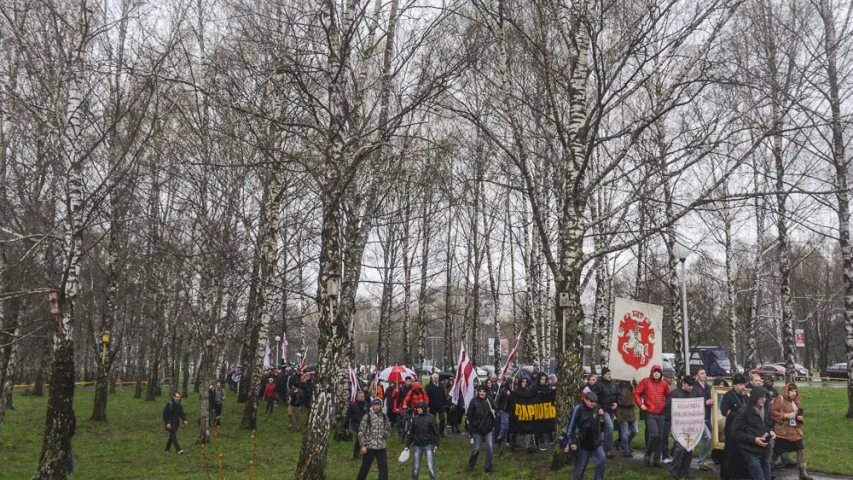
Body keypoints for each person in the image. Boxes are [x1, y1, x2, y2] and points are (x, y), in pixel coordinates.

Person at [769, 383, 813, 480]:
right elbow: (772, 412)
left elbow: (795, 414)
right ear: (787, 391)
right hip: (783, 432)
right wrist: (785, 415)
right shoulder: (780, 399)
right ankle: (768, 469)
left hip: (795, 430)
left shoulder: (795, 401)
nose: (793, 393)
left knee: (800, 450)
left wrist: (800, 418)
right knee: (777, 452)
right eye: (791, 391)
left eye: (795, 391)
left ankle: (802, 473)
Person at [731, 386, 775, 480]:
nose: (763, 400)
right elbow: (735, 432)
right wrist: (754, 439)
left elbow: (770, 424)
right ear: (755, 397)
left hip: (765, 451)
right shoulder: (744, 411)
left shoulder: (767, 409)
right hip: (750, 451)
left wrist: (771, 431)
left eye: (765, 397)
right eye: (761, 397)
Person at [634, 364, 670, 467]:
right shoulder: (645, 381)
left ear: (661, 374)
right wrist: (641, 405)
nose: (656, 373)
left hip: (661, 414)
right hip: (650, 413)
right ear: (651, 372)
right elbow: (636, 393)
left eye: (658, 372)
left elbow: (669, 396)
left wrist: (667, 407)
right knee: (654, 434)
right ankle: (648, 454)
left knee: (660, 437)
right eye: (655, 371)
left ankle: (657, 460)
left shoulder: (664, 384)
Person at [668, 375, 701, 480]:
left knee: (689, 449)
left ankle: (685, 471)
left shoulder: (695, 393)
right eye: (689, 385)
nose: (691, 387)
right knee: (679, 448)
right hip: (679, 426)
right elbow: (667, 407)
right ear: (683, 383)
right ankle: (674, 470)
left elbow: (698, 407)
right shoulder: (675, 393)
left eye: (692, 385)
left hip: (691, 426)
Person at [568, 391, 606, 480]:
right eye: (591, 402)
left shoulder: (597, 408)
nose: (593, 404)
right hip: (582, 444)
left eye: (595, 402)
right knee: (580, 469)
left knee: (602, 460)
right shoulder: (578, 409)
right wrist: (572, 441)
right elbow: (571, 427)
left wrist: (602, 415)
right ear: (585, 400)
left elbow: (601, 425)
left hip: (596, 443)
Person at [720, 373, 750, 480]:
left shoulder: (745, 396)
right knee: (730, 452)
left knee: (742, 452)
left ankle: (740, 475)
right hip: (731, 429)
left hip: (743, 429)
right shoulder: (728, 396)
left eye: (743, 385)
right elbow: (725, 412)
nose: (743, 387)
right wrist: (739, 415)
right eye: (741, 385)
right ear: (734, 385)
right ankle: (727, 475)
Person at [356, 398, 392, 480]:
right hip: (369, 446)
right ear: (372, 406)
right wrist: (363, 446)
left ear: (381, 406)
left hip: (381, 446)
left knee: (383, 468)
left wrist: (386, 434)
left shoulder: (384, 416)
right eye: (375, 405)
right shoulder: (367, 416)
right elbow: (361, 431)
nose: (376, 407)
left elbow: (388, 429)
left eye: (378, 405)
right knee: (365, 467)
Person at [466, 386, 496, 473]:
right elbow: (469, 414)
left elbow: (496, 409)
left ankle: (488, 467)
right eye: (480, 391)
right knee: (476, 449)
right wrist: (475, 424)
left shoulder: (489, 400)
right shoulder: (474, 401)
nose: (482, 393)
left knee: (490, 448)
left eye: (483, 391)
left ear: (486, 392)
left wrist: (494, 411)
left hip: (488, 429)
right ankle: (470, 466)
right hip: (477, 429)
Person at [407, 400, 440, 480]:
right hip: (417, 445)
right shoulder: (415, 419)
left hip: (428, 444)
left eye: (419, 408)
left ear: (424, 408)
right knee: (416, 466)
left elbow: (436, 432)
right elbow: (411, 432)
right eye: (417, 408)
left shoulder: (431, 418)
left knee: (431, 466)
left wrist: (436, 444)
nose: (417, 409)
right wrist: (407, 445)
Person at [592, 367, 620, 459]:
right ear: (603, 375)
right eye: (607, 374)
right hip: (604, 409)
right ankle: (607, 449)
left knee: (609, 429)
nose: (609, 375)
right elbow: (595, 397)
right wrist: (599, 407)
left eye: (610, 373)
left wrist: (617, 403)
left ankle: (607, 448)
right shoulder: (599, 385)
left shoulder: (614, 384)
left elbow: (618, 394)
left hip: (612, 409)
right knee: (610, 427)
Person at [696, 369, 715, 471]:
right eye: (701, 373)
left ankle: (702, 460)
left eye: (705, 373)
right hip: (698, 417)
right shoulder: (694, 387)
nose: (704, 375)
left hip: (707, 416)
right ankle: (702, 461)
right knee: (707, 437)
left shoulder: (708, 387)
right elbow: (694, 399)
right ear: (697, 375)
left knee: (708, 438)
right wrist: (705, 402)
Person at [534, 373, 556, 450]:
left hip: (545, 409)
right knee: (538, 427)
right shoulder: (534, 387)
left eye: (544, 379)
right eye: (542, 379)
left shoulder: (546, 387)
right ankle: (539, 442)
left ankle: (544, 441)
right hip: (536, 409)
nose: (543, 381)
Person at [617, 379, 638, 457]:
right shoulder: (618, 387)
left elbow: (637, 392)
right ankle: (625, 449)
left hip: (631, 411)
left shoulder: (631, 386)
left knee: (635, 430)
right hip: (622, 410)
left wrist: (635, 385)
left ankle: (625, 444)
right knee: (624, 432)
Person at [347, 391, 370, 459]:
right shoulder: (353, 405)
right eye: (362, 396)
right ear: (358, 397)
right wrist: (345, 424)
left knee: (363, 438)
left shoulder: (366, 404)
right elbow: (348, 415)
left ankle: (361, 452)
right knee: (359, 436)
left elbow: (368, 413)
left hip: (364, 423)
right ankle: (355, 454)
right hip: (356, 423)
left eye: (364, 396)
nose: (363, 397)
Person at [496, 378, 513, 446]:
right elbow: (499, 400)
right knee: (504, 426)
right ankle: (499, 439)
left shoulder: (512, 390)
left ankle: (507, 440)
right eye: (510, 384)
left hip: (510, 410)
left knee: (509, 426)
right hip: (504, 410)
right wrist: (498, 410)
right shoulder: (503, 391)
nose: (511, 385)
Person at [67, 409, 76, 476]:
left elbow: (73, 427)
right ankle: (70, 470)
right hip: (68, 434)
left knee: (68, 452)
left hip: (67, 435)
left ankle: (70, 470)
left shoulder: (70, 413)